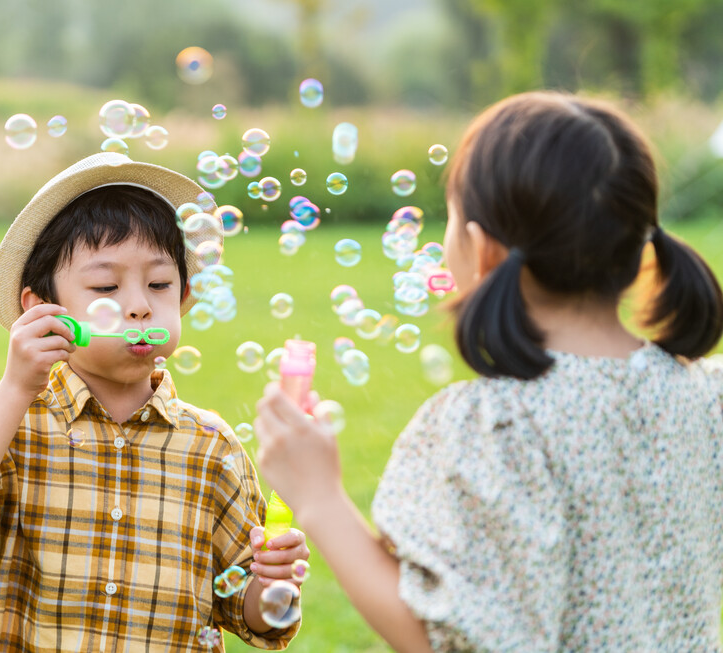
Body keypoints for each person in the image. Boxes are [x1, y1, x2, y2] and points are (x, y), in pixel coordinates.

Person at [253, 91, 723, 652]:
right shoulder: (705, 395)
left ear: (483, 251)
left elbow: (455, 637)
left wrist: (320, 498)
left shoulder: (493, 426)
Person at [0, 152, 309, 652]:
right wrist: (14, 387)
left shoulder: (212, 449)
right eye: (105, 286)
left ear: (183, 297)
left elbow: (254, 616)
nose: (139, 304)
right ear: (44, 310)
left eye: (160, 284)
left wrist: (271, 584)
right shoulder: (13, 428)